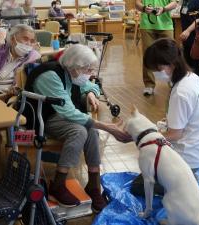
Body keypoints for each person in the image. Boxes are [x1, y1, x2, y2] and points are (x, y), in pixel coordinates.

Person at [26, 44, 132, 210]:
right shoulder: (50, 75)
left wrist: (90, 92)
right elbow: (68, 112)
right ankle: (58, 185)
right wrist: (108, 127)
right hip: (43, 118)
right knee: (80, 131)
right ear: (75, 66)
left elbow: (93, 86)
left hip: (60, 116)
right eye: (88, 70)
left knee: (92, 132)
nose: (90, 74)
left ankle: (93, 185)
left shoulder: (72, 73)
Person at [131, 38, 199, 195]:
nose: (155, 73)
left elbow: (175, 134)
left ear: (169, 64)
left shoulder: (181, 92)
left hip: (186, 157)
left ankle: (185, 185)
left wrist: (145, 136)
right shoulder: (192, 78)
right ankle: (187, 180)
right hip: (198, 152)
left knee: (138, 186)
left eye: (156, 69)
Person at [135, 0, 177, 96]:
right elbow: (137, 4)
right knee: (147, 55)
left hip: (166, 24)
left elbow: (174, 3)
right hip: (147, 25)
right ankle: (149, 84)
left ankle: (173, 80)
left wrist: (164, 9)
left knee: (171, 53)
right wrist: (144, 8)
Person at [0, 24, 40, 95]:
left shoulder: (33, 58)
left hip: (4, 96)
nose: (28, 43)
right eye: (25, 39)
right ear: (13, 39)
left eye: (32, 41)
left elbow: (23, 86)